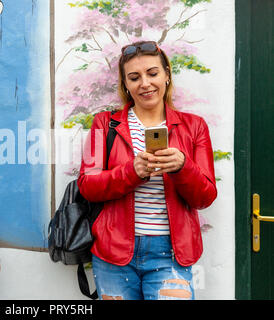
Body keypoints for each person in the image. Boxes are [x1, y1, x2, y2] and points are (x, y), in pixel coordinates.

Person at [77, 40, 217, 300]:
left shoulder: (195, 126)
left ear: (166, 75)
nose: (145, 83)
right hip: (113, 253)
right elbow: (87, 186)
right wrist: (132, 171)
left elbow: (205, 197)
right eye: (134, 77)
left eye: (152, 73)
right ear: (126, 85)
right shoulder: (103, 124)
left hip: (171, 253)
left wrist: (183, 167)